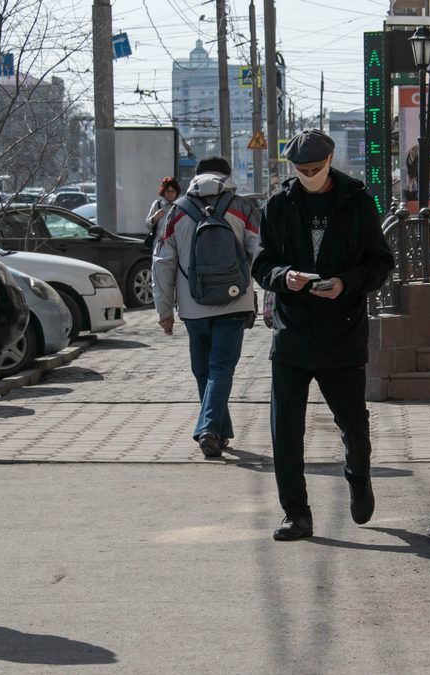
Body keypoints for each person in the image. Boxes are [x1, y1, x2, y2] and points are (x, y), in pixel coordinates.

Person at [252, 129, 395, 541]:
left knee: (353, 423)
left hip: (343, 333)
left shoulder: (357, 202)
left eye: (315, 168)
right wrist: (284, 277)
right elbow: (262, 264)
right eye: (301, 169)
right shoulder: (279, 204)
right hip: (292, 333)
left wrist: (345, 283)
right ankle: (296, 513)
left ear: (330, 161)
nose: (308, 174)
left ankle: (358, 477)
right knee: (286, 429)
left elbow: (381, 263)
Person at [152, 156, 260, 458]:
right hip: (235, 302)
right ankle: (214, 429)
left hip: (192, 307)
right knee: (220, 368)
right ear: (227, 177)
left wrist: (164, 311)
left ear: (196, 177)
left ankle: (212, 429)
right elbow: (261, 251)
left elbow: (161, 264)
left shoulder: (176, 211)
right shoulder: (243, 207)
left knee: (204, 370)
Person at [144, 176, 182, 250]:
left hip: (176, 248)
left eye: (172, 191)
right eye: (168, 191)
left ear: (176, 192)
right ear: (163, 192)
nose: (170, 194)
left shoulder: (180, 206)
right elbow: (147, 224)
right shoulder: (157, 204)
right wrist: (154, 218)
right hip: (158, 248)